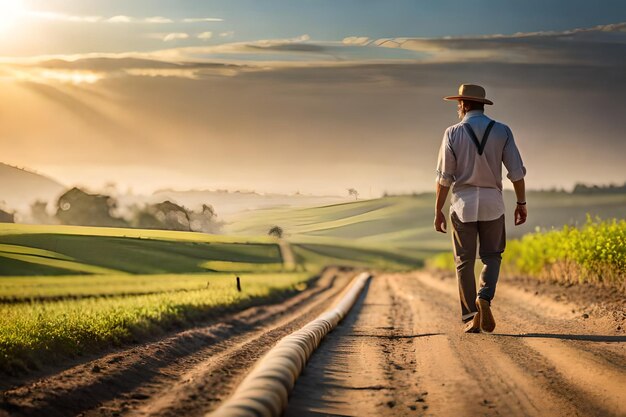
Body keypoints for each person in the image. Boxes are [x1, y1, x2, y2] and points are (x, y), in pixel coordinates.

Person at [434, 84, 527, 333]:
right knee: (492, 256)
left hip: (463, 204)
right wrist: (521, 203)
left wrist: (438, 211)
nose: (458, 107)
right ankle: (484, 297)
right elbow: (516, 173)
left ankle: (470, 315)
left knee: (464, 261)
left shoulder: (452, 133)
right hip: (492, 204)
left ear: (464, 104)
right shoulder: (502, 131)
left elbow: (445, 178)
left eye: (458, 103)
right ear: (482, 105)